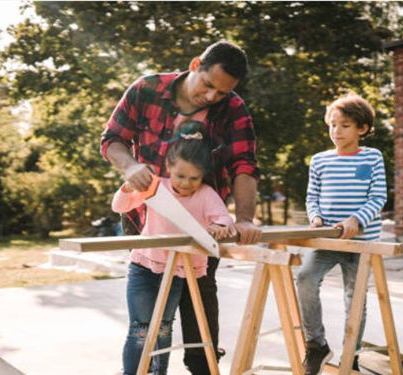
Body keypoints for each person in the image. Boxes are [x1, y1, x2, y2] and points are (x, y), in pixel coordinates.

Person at [101, 41, 262, 374]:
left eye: (222, 92)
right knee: (150, 313)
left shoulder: (233, 108)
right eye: (208, 85)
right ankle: (146, 369)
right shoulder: (145, 88)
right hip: (145, 218)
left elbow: (244, 165)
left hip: (202, 224)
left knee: (199, 295)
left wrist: (244, 219)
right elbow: (112, 139)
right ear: (194, 65)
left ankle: (202, 367)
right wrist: (130, 167)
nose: (212, 96)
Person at [112, 122, 236, 375]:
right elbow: (119, 206)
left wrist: (219, 227)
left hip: (178, 272)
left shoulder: (205, 194)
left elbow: (224, 218)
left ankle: (159, 372)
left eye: (194, 178)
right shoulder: (156, 186)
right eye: (180, 176)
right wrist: (127, 187)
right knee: (140, 328)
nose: (187, 183)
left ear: (202, 176)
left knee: (164, 327)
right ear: (169, 168)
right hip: (144, 267)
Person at [296, 93, 387, 374]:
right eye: (332, 125)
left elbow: (378, 196)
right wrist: (316, 217)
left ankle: (352, 355)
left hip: (362, 243)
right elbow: (312, 197)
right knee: (305, 279)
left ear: (362, 128)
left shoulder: (372, 157)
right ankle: (316, 345)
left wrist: (356, 220)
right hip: (326, 239)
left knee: (355, 297)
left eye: (344, 125)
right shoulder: (320, 160)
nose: (336, 131)